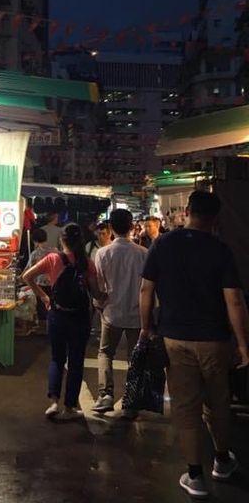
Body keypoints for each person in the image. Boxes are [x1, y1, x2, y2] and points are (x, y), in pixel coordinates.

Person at [140, 190, 249, 499]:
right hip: (214, 341)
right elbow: (235, 302)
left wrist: (147, 328)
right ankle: (223, 460)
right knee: (218, 403)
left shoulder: (162, 244)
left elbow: (146, 290)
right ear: (216, 218)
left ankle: (195, 475)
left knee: (186, 407)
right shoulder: (221, 250)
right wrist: (243, 344)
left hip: (174, 339)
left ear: (186, 210)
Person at [23, 224, 107, 421]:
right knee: (76, 362)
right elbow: (95, 293)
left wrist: (44, 296)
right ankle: (69, 407)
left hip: (57, 315)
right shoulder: (86, 263)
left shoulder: (53, 259)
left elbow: (27, 276)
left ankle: (53, 402)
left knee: (56, 359)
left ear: (62, 240)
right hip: (79, 317)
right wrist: (106, 295)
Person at [92, 209, 147, 414]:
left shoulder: (103, 253)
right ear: (131, 226)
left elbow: (98, 285)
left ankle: (105, 395)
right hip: (137, 314)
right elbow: (149, 287)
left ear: (111, 228)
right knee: (135, 358)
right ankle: (131, 402)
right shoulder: (143, 253)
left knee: (106, 353)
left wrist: (99, 305)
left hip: (111, 312)